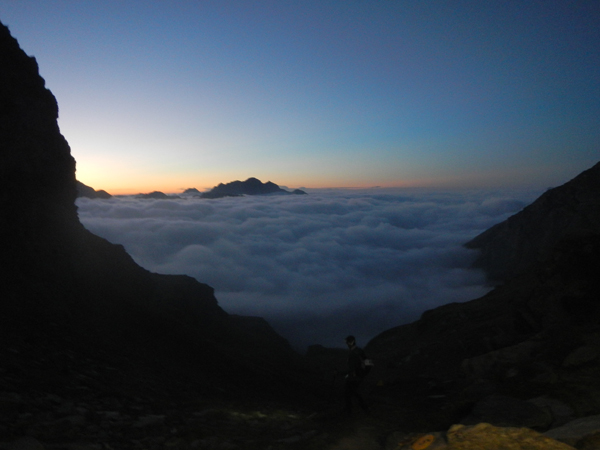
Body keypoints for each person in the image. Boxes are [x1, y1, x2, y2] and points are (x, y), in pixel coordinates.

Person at [343, 335, 369, 415]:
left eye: (348, 341)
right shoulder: (355, 351)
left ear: (352, 342)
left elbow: (366, 362)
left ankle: (352, 411)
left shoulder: (356, 352)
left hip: (354, 377)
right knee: (352, 393)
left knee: (351, 393)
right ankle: (359, 409)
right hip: (354, 376)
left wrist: (362, 374)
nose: (347, 343)